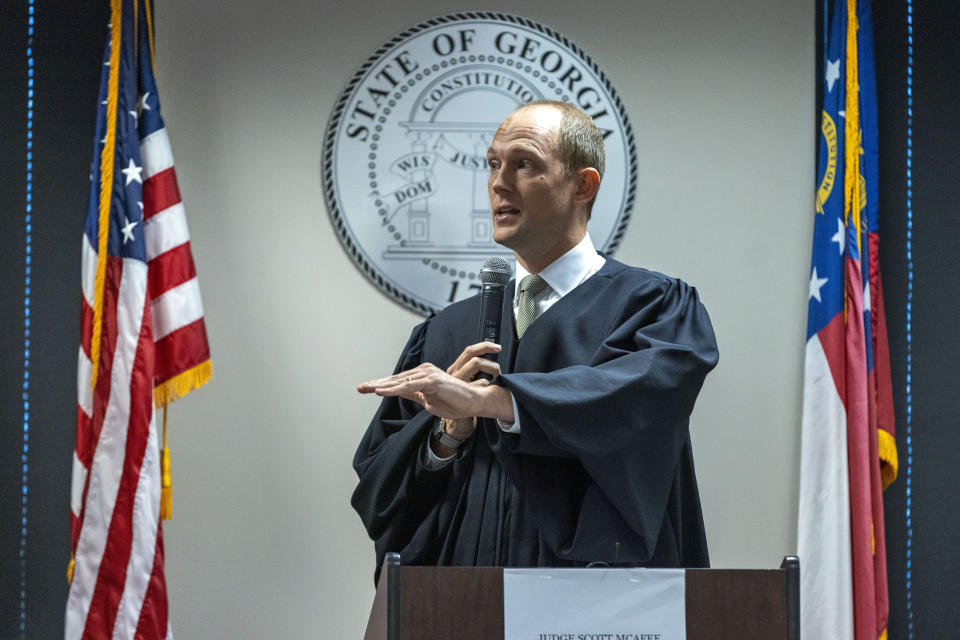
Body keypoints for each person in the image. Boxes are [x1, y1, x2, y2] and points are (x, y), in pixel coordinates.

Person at [353, 101, 718, 582]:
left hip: (597, 605)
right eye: (493, 164)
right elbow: (382, 500)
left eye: (524, 164)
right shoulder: (447, 332)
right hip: (460, 608)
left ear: (583, 185)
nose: (498, 183)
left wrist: (497, 401)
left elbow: (636, 404)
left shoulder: (651, 308)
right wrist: (447, 433)